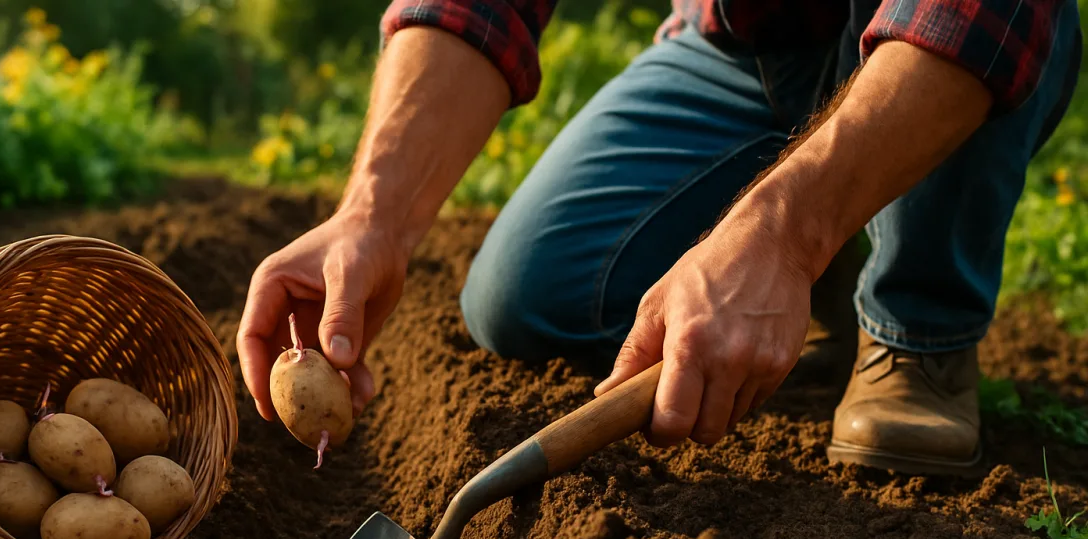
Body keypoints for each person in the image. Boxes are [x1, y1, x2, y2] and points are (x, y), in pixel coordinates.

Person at [238, 0, 1083, 474]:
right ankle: (829, 261)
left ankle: (917, 326)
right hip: (745, 45)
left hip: (935, 29)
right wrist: (374, 214)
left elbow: (978, 15)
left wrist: (783, 238)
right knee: (527, 296)